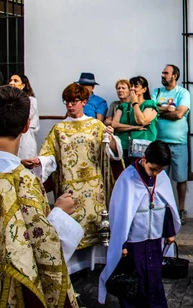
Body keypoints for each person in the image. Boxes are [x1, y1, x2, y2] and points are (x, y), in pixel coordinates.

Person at [0, 86, 83, 308]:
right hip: (9, 296)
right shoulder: (24, 182)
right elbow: (43, 246)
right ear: (26, 126)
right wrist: (60, 213)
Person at [22, 83, 123, 274]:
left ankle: (95, 265)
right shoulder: (59, 129)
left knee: (94, 226)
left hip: (94, 189)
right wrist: (39, 160)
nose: (69, 105)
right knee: (70, 226)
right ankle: (72, 269)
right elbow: (50, 155)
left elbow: (113, 155)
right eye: (66, 101)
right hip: (69, 187)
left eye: (74, 101)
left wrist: (111, 140)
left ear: (84, 102)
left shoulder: (96, 126)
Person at [99, 141, 181, 307]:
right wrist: (122, 244)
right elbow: (121, 215)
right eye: (153, 169)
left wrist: (169, 232)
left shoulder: (161, 177)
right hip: (133, 243)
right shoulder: (127, 179)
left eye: (161, 170)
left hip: (154, 238)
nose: (156, 173)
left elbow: (167, 205)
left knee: (154, 277)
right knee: (135, 281)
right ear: (144, 159)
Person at [153, 64, 190, 223]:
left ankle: (181, 209)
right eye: (162, 73)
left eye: (166, 73)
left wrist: (162, 110)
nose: (163, 75)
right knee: (159, 177)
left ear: (175, 76)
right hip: (159, 142)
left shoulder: (183, 92)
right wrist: (168, 109)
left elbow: (179, 114)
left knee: (180, 178)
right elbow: (152, 111)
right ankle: (161, 209)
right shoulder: (157, 92)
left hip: (178, 142)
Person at [112, 76, 159, 162]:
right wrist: (134, 127)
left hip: (143, 147)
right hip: (125, 146)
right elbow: (114, 124)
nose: (132, 89)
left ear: (144, 90)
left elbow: (141, 121)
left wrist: (135, 103)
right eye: (131, 86)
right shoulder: (123, 106)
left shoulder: (150, 104)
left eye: (136, 86)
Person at [9, 74, 40, 159]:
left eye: (15, 81)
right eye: (11, 80)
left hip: (26, 136)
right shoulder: (9, 101)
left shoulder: (30, 100)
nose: (11, 83)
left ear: (23, 85)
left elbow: (24, 116)